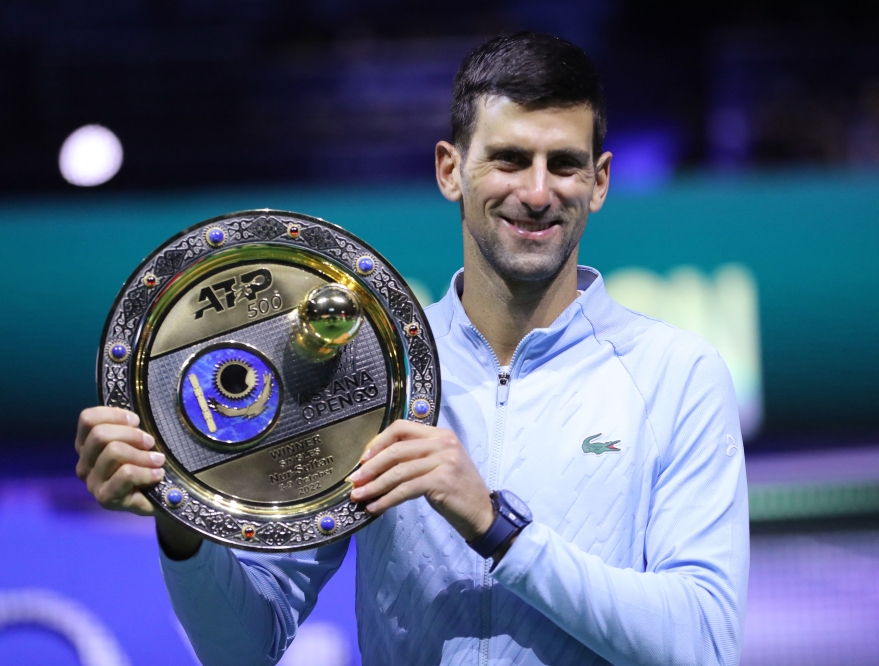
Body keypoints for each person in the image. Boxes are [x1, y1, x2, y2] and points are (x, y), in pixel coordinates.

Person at [75, 32, 748, 666]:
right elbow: (244, 648)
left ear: (599, 182)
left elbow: (703, 643)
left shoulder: (676, 373)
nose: (538, 192)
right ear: (451, 169)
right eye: (509, 159)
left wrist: (494, 525)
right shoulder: (369, 370)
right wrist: (181, 518)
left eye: (564, 165)